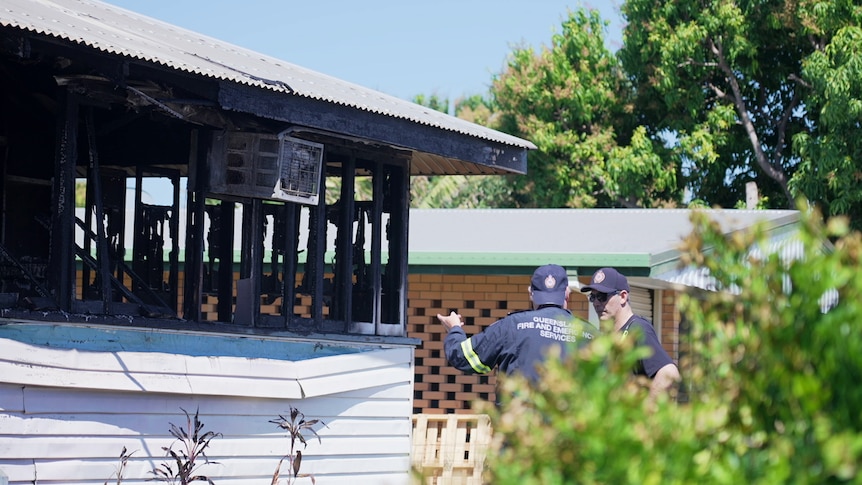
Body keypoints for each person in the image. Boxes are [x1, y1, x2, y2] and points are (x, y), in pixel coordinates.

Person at [437, 264, 599, 387]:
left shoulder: (511, 326)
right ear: (567, 294)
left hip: (520, 428)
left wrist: (455, 329)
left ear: (531, 294)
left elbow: (464, 358)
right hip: (570, 429)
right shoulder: (590, 334)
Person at [581, 267, 681, 399]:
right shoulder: (608, 337)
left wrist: (647, 410)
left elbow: (669, 374)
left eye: (602, 296)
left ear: (623, 296)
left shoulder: (638, 330)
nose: (597, 303)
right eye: (593, 297)